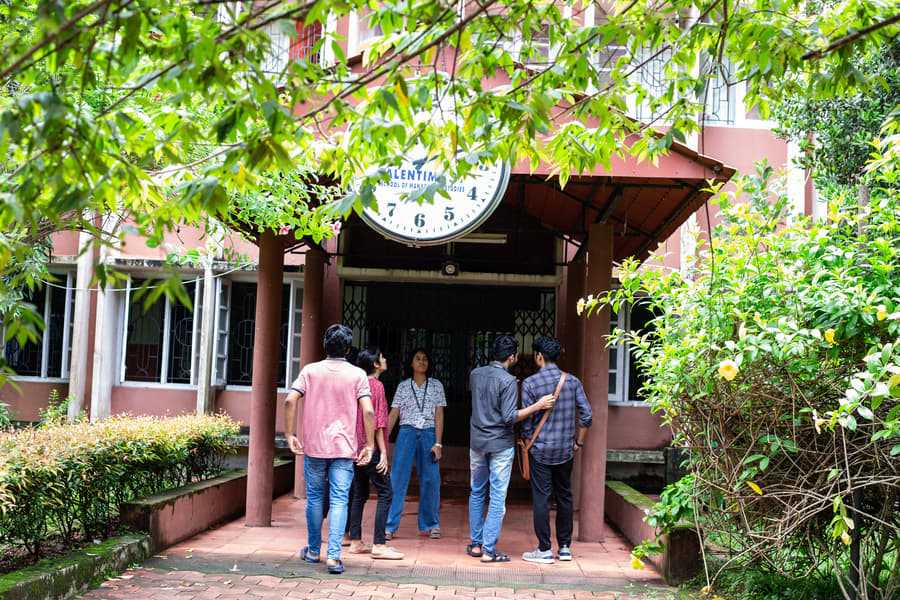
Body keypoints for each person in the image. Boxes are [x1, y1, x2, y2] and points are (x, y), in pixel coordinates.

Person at [284, 324, 376, 575]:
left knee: (314, 497)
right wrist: (369, 445)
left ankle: (314, 551)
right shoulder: (357, 374)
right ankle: (334, 558)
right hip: (344, 449)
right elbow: (368, 410)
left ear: (325, 345)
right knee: (339, 500)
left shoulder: (310, 370)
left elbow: (290, 399)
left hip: (313, 446)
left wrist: (290, 434)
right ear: (347, 349)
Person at [467, 335, 555, 563]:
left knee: (477, 491)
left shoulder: (475, 374)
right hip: (500, 444)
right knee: (497, 496)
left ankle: (476, 544)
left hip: (477, 441)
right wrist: (537, 406)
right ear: (512, 356)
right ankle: (488, 550)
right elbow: (509, 417)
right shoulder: (508, 381)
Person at [520, 336, 592, 564]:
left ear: (539, 356)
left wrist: (528, 442)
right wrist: (578, 443)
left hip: (540, 451)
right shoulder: (572, 382)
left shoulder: (530, 383)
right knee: (564, 497)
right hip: (565, 450)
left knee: (541, 498)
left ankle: (543, 549)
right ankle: (564, 548)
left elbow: (526, 424)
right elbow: (587, 416)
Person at [346, 347, 404, 560]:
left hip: (355, 447)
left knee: (359, 494)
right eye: (382, 357)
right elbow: (378, 422)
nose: (385, 358)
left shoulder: (358, 384)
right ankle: (379, 544)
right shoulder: (376, 386)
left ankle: (355, 541)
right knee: (386, 493)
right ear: (376, 365)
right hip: (370, 448)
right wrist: (382, 453)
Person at [385, 347, 446, 540]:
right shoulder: (403, 386)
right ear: (411, 363)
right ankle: (389, 526)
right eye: (417, 358)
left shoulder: (436, 385)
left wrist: (438, 443)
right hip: (407, 432)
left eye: (425, 358)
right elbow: (394, 413)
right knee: (397, 479)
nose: (421, 362)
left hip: (428, 434)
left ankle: (432, 524)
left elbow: (439, 415)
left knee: (431, 480)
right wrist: (382, 439)